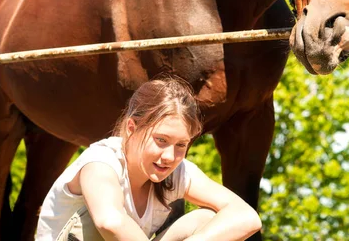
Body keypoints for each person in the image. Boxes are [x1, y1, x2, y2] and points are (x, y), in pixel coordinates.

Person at [36, 75, 262, 241]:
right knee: (96, 228)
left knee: (208, 220)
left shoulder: (177, 170)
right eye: (161, 140)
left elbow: (247, 217)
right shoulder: (101, 162)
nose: (169, 156)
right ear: (132, 128)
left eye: (181, 145)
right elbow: (110, 221)